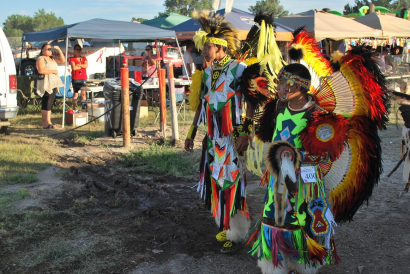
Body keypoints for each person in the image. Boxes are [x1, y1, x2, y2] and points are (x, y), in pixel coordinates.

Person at [184, 12, 256, 253]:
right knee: (217, 180)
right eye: (203, 47)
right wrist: (191, 133)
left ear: (220, 47)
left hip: (234, 137)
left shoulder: (239, 69)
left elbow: (252, 102)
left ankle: (236, 231)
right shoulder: (205, 74)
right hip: (213, 138)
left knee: (233, 183)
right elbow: (200, 107)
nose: (203, 51)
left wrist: (246, 133)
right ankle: (226, 228)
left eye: (207, 47)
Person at [36, 44, 65, 129]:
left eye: (50, 49)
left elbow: (62, 60)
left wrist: (59, 50)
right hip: (46, 82)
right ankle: (44, 123)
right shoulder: (41, 58)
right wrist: (53, 71)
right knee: (46, 101)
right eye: (48, 49)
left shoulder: (52, 58)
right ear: (42, 50)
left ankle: (49, 121)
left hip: (53, 82)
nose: (49, 50)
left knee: (50, 102)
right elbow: (41, 70)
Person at [70, 44, 88, 110]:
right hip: (76, 78)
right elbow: (74, 67)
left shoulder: (84, 58)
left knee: (83, 94)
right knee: (75, 94)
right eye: (77, 49)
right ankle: (74, 108)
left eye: (79, 49)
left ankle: (84, 107)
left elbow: (86, 65)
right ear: (74, 50)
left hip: (83, 78)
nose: (78, 51)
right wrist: (81, 65)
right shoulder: (72, 59)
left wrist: (79, 65)